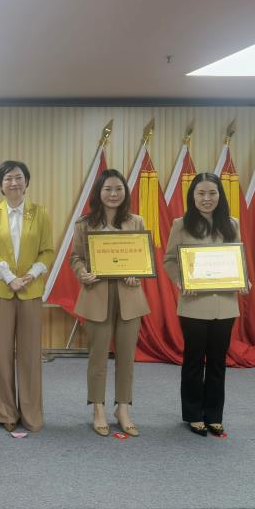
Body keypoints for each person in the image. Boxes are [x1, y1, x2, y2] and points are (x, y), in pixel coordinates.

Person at [162, 172, 249, 437]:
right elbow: (169, 260)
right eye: (201, 193)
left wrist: (244, 279)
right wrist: (181, 281)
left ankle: (214, 416)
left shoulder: (231, 224)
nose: (207, 198)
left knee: (217, 363)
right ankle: (193, 414)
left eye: (212, 193)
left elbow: (238, 259)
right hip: (193, 305)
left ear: (220, 195)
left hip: (225, 305)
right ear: (193, 196)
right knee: (193, 361)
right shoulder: (181, 224)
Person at [69, 169, 152, 436]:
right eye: (108, 189)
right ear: (98, 192)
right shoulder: (84, 223)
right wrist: (82, 272)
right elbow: (76, 258)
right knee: (98, 357)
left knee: (127, 357)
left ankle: (123, 409)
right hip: (96, 294)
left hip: (129, 297)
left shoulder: (136, 221)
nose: (113, 194)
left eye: (118, 189)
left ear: (125, 192)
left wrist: (137, 273)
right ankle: (98, 408)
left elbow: (144, 258)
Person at [0, 160, 55, 433]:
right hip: (0, 291)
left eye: (18, 177)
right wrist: (9, 277)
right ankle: (4, 411)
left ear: (26, 182)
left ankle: (31, 412)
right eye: (8, 178)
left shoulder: (40, 213)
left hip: (30, 292)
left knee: (30, 355)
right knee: (0, 354)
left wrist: (31, 275)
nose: (14, 182)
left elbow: (47, 251)